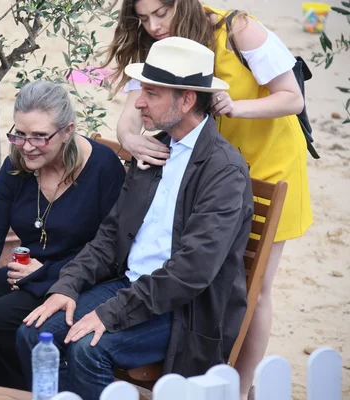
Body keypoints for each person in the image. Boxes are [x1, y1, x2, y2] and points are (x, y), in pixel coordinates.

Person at [16, 37, 254, 400]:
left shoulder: (224, 171)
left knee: (87, 350)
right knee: (34, 334)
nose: (139, 101)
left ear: (186, 99)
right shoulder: (154, 150)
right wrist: (68, 284)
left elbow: (190, 272)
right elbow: (111, 234)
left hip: (183, 310)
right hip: (130, 287)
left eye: (152, 92)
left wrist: (111, 313)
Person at [102, 1, 313, 398]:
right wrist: (131, 139)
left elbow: (291, 97)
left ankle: (240, 385)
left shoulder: (239, 29)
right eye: (143, 19)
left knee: (256, 285)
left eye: (161, 13)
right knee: (212, 271)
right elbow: (130, 115)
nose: (153, 26)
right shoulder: (164, 48)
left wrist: (237, 108)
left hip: (268, 165)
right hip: (208, 172)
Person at [0, 81, 126, 390]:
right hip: (27, 273)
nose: (27, 145)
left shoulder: (103, 167)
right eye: (19, 134)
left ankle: (46, 393)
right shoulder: (16, 166)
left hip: (85, 279)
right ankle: (8, 391)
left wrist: (52, 273)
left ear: (67, 131)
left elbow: (111, 248)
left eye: (39, 136)